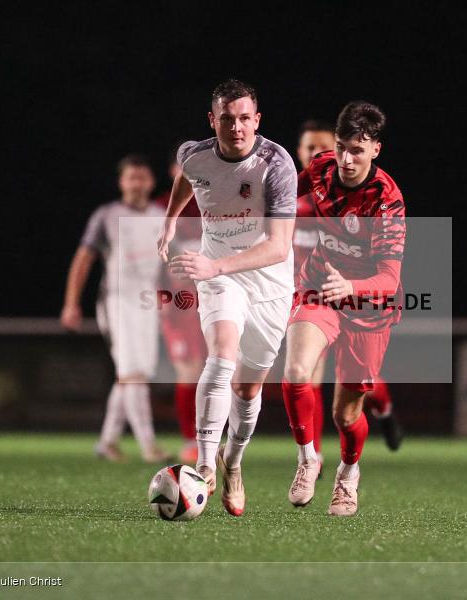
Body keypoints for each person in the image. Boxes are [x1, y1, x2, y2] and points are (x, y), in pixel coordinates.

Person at [158, 79, 297, 517]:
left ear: (257, 121)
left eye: (243, 119)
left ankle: (233, 464)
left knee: (249, 385)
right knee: (221, 356)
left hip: (270, 280)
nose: (235, 127)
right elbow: (189, 179)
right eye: (226, 118)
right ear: (211, 120)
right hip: (218, 274)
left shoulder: (276, 165)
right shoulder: (192, 154)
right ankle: (203, 465)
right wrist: (169, 222)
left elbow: (277, 246)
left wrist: (213, 266)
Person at [282, 102, 406, 516]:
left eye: (357, 149)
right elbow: (283, 196)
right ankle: (307, 461)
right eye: (341, 148)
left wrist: (350, 286)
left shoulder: (387, 201)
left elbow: (389, 279)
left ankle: (348, 474)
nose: (346, 159)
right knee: (297, 372)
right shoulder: (320, 169)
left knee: (345, 413)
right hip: (318, 286)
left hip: (367, 306)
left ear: (375, 150)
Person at [61, 154, 170, 463]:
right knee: (133, 373)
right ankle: (149, 446)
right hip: (117, 302)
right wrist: (71, 303)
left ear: (151, 182)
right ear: (121, 182)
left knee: (133, 374)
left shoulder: (161, 215)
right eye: (130, 177)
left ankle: (107, 442)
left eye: (142, 177)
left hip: (147, 303)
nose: (137, 183)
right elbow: (83, 259)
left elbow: (168, 263)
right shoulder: (107, 215)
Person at [155, 149, 207, 464]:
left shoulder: (215, 205)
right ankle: (192, 440)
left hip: (213, 297)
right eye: (183, 169)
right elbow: (151, 258)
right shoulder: (161, 208)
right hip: (178, 303)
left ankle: (210, 437)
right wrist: (161, 294)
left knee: (217, 371)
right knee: (188, 371)